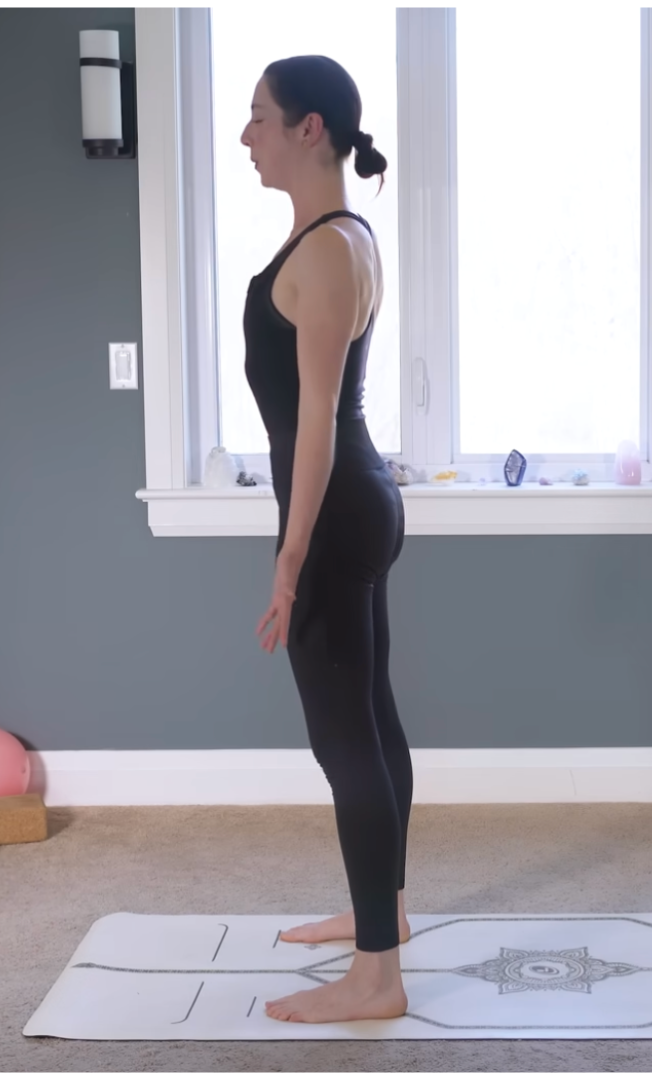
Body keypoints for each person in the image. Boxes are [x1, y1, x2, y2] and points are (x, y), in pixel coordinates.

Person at [240, 55, 412, 1025]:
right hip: (357, 499)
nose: (246, 135)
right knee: (372, 723)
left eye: (259, 117)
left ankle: (377, 975)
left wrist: (290, 561)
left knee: (345, 738)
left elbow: (312, 419)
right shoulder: (338, 239)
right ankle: (377, 914)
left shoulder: (327, 252)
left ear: (311, 129)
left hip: (337, 509)